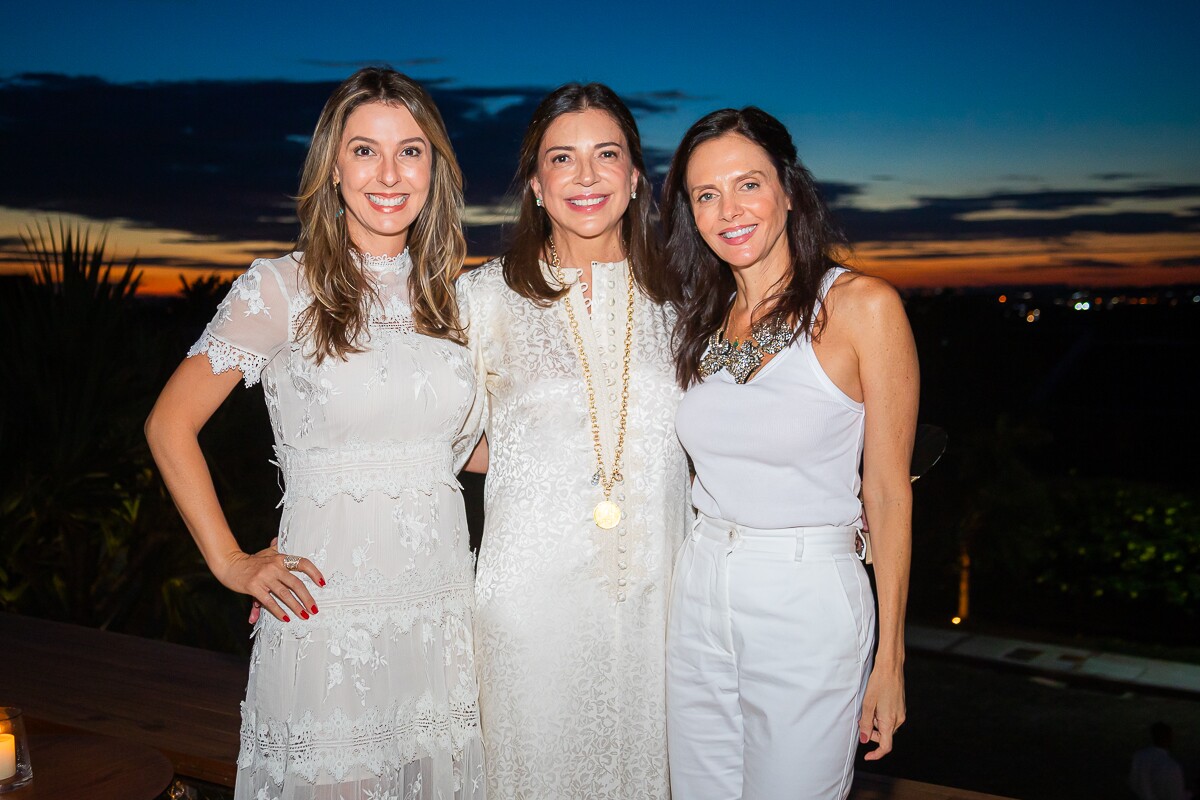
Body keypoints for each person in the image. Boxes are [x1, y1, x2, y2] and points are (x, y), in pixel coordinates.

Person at [145, 67, 486, 800]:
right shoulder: (280, 288)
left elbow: (465, 450)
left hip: (440, 616)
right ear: (333, 168)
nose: (389, 174)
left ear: (437, 168)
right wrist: (231, 561)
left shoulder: (455, 301)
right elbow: (169, 425)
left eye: (411, 151)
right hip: (331, 623)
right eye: (365, 150)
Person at [662, 107, 917, 799]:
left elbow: (889, 491)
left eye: (748, 184)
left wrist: (890, 659)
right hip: (699, 587)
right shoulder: (697, 318)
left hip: (806, 597)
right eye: (705, 195)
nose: (728, 210)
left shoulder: (862, 307)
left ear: (790, 190)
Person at [456, 83, 690, 799]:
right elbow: (431, 439)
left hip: (663, 599)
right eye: (563, 158)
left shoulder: (687, 297)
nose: (586, 176)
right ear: (536, 183)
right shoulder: (483, 297)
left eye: (606, 155)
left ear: (635, 180)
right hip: (530, 608)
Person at [1130, 722, 1192, 800]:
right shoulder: (1172, 766)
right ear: (1169, 738)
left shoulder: (1139, 756)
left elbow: (1134, 783)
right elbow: (1176, 796)